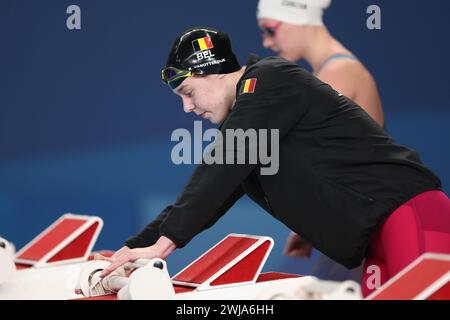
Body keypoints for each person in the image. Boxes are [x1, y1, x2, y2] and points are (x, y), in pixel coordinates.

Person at [97, 27, 450, 297]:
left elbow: (223, 164)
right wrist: (133, 247)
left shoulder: (269, 79)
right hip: (378, 236)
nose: (187, 108)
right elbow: (212, 192)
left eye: (188, 93)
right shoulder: (254, 122)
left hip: (411, 213)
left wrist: (165, 243)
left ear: (214, 70)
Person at [257, 0, 385, 281]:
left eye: (269, 29)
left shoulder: (338, 73)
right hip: (354, 225)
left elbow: (319, 168)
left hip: (362, 229)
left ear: (297, 18)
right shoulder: (331, 72)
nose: (266, 42)